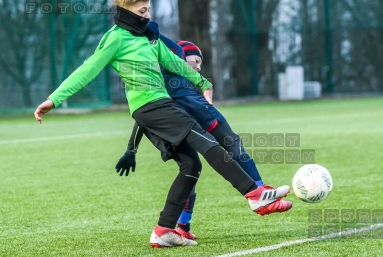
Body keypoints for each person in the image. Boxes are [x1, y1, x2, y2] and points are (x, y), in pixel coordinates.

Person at [34, 0, 292, 248]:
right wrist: (54, 99)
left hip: (156, 109)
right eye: (142, 10)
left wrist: (202, 82)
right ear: (125, 10)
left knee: (191, 166)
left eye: (149, 9)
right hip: (151, 108)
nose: (147, 15)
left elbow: (172, 61)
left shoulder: (148, 36)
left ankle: (164, 230)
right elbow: (87, 70)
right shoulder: (115, 38)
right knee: (208, 143)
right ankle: (255, 194)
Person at [115, 32, 287, 240]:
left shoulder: (177, 84)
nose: (198, 66)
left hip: (184, 121)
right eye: (195, 60)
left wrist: (131, 150)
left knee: (194, 167)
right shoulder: (166, 73)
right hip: (181, 120)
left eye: (200, 63)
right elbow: (147, 113)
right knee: (209, 157)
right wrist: (130, 150)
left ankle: (179, 227)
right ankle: (258, 194)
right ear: (178, 56)